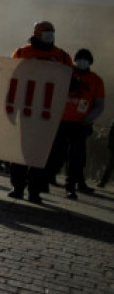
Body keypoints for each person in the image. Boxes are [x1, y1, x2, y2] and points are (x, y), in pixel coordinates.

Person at [7, 20, 73, 203]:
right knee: (20, 151)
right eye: (46, 31)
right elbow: (10, 77)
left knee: (42, 153)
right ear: (36, 33)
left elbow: (72, 82)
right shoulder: (22, 53)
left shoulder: (63, 57)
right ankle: (18, 186)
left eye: (52, 31)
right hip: (26, 110)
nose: (50, 35)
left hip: (48, 114)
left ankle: (35, 190)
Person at [46, 48, 105, 199]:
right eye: (79, 59)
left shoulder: (96, 81)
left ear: (89, 62)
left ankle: (70, 186)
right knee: (56, 152)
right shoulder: (66, 72)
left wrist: (90, 117)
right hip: (61, 120)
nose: (82, 62)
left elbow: (99, 104)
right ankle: (46, 178)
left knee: (76, 156)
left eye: (85, 59)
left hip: (81, 124)